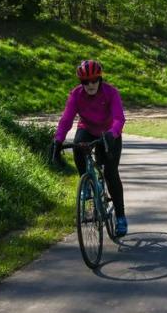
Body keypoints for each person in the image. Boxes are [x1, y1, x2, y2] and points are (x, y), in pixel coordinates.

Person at [51, 59, 129, 236]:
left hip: (110, 132)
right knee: (78, 146)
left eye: (95, 80)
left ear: (100, 79)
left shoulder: (111, 92)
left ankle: (121, 218)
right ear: (81, 82)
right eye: (86, 82)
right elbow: (66, 120)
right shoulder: (76, 95)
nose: (91, 84)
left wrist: (112, 133)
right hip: (87, 129)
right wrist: (57, 141)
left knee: (110, 173)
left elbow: (119, 118)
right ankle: (86, 183)